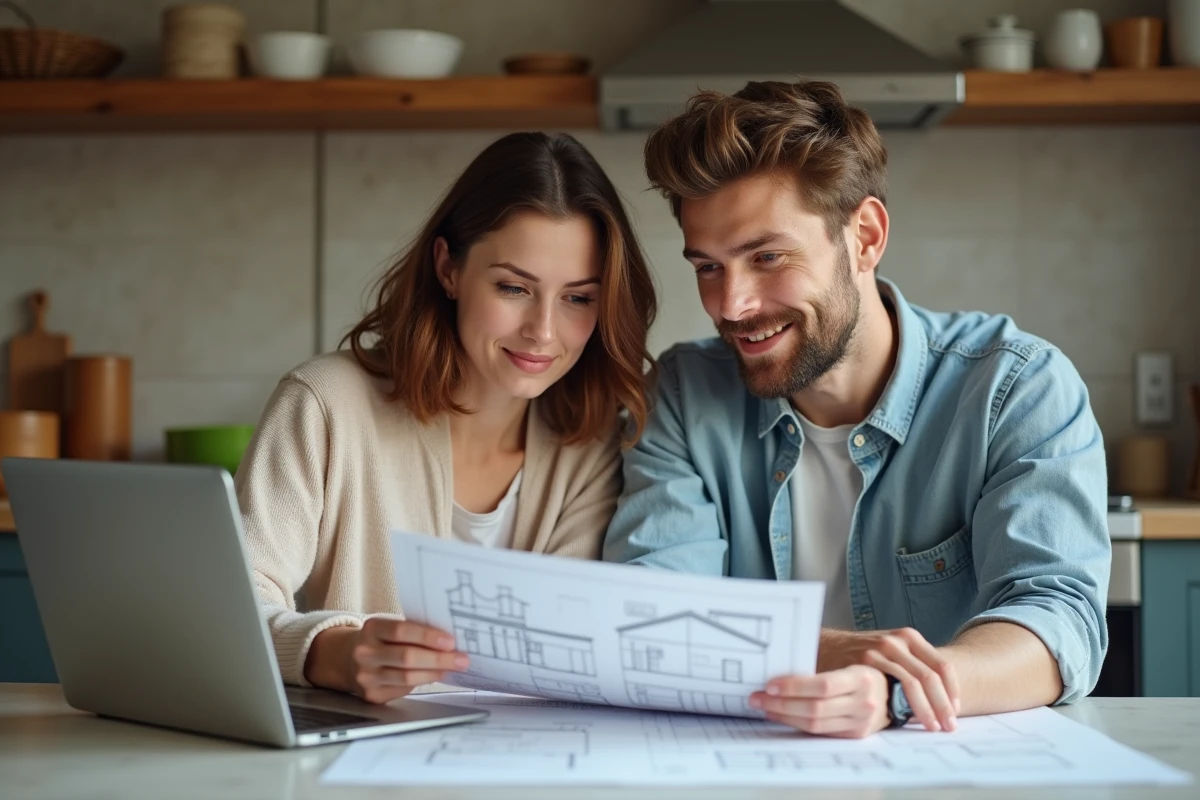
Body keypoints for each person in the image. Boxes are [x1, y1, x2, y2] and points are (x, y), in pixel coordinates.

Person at [603, 80, 1109, 739]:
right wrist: (816, 653)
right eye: (708, 267)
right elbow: (657, 615)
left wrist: (894, 687)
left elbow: (1058, 618)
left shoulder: (1015, 388)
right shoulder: (681, 395)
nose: (731, 304)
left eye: (767, 257)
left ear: (864, 236)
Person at [237, 132, 656, 704]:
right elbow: (231, 603)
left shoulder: (593, 444)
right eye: (513, 287)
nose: (544, 331)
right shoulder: (324, 403)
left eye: (578, 298)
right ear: (448, 268)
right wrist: (328, 652)